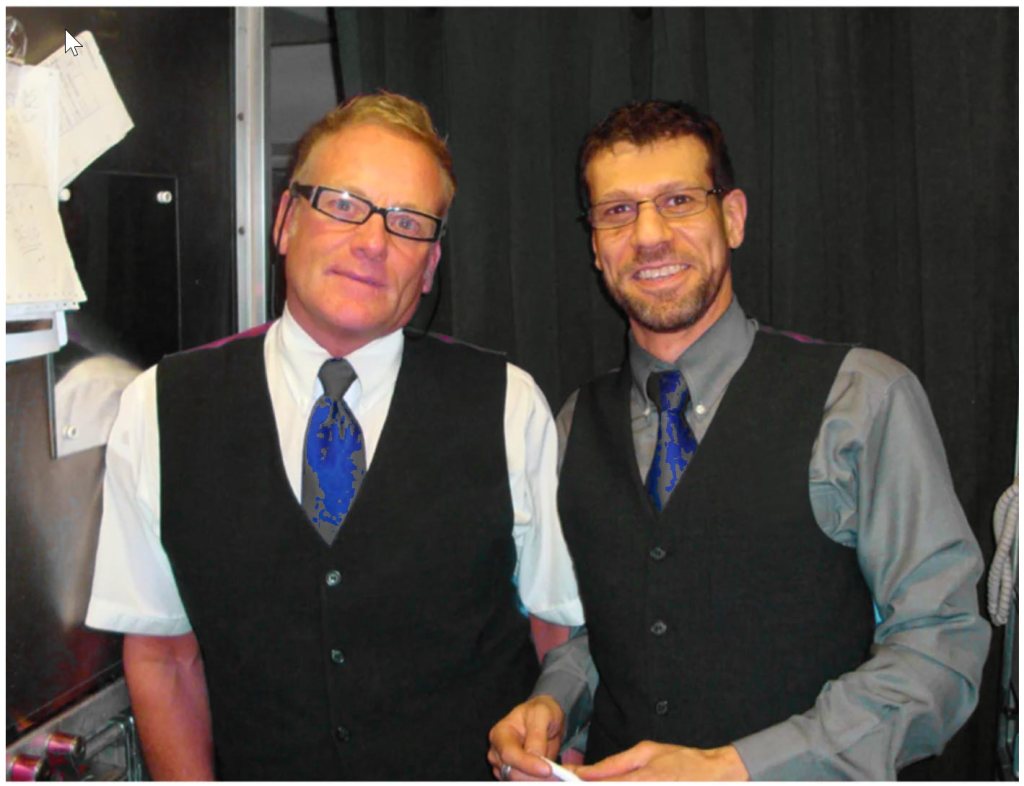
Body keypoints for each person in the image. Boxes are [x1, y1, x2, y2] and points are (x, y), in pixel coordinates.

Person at [85, 91, 583, 780]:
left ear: (431, 265)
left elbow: (557, 636)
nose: (372, 242)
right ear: (286, 220)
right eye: (343, 204)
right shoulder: (157, 410)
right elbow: (164, 657)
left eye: (408, 223)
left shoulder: (508, 405)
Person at [488, 99, 991, 781]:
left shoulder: (862, 398)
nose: (649, 235)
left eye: (679, 200)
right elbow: (606, 629)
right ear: (595, 249)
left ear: (733, 217)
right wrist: (555, 701)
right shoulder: (576, 422)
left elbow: (941, 649)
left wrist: (739, 768)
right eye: (617, 212)